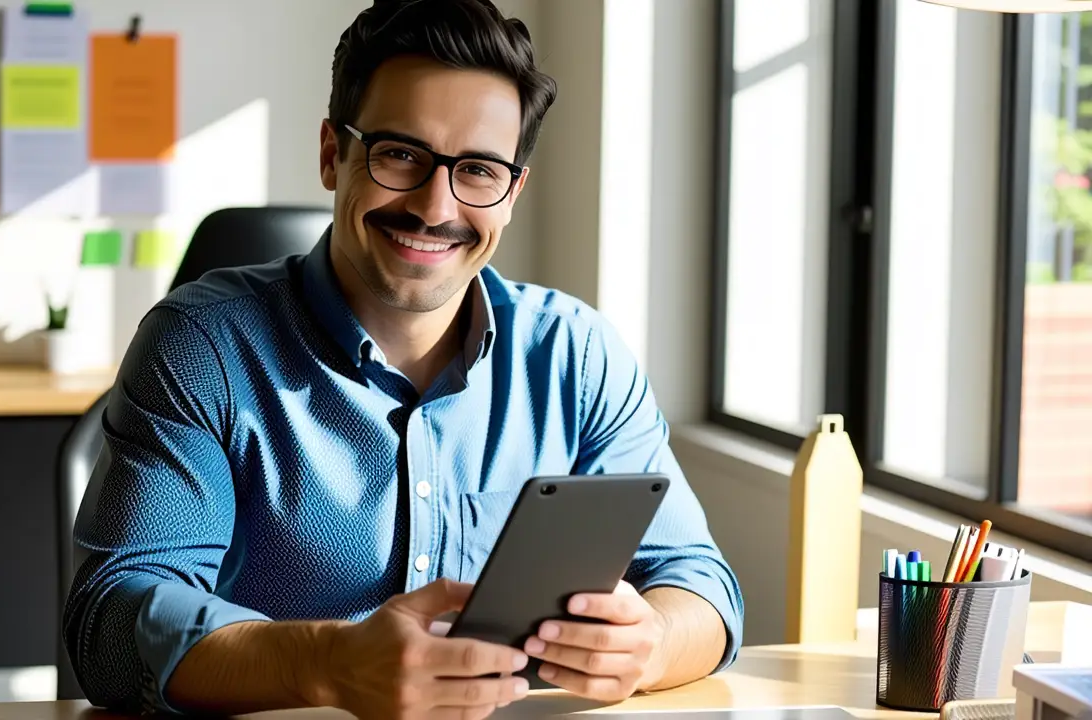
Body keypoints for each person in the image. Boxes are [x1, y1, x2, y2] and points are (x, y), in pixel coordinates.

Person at [63, 0, 744, 717]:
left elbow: (701, 584)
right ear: (333, 153)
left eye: (478, 170)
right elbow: (111, 627)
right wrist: (325, 664)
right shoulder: (204, 348)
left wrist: (654, 641)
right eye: (399, 155)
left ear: (512, 193)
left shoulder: (576, 355)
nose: (433, 205)